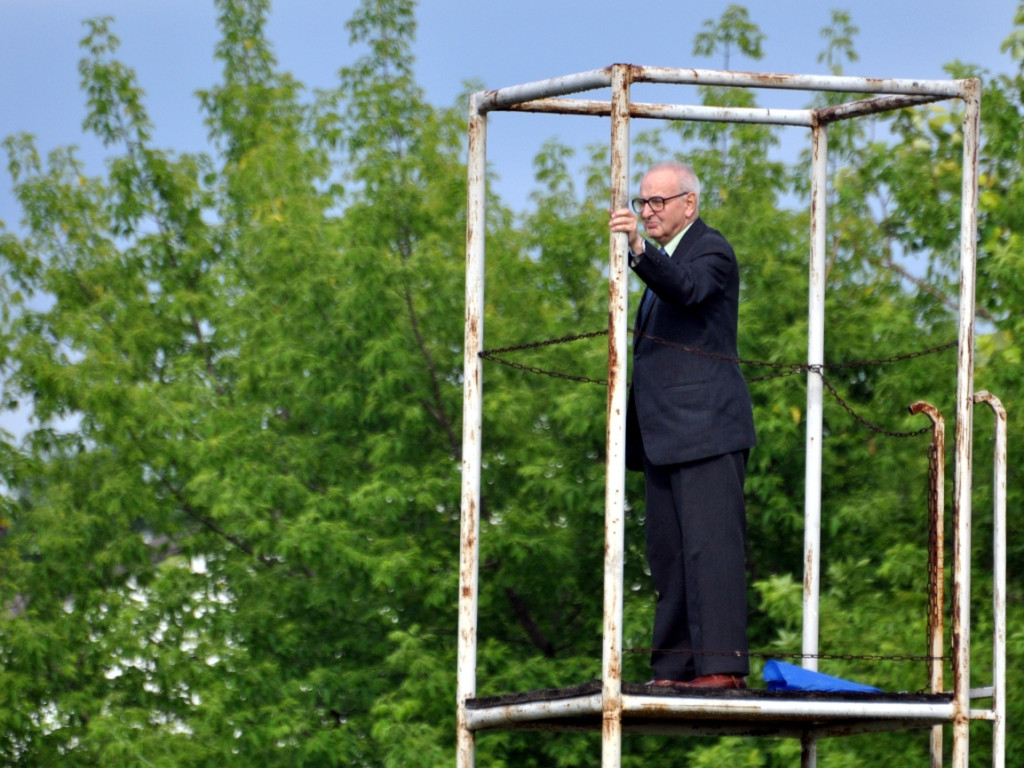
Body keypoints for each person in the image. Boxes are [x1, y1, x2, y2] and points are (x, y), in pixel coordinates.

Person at [608, 162, 756, 690]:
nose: (646, 211)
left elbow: (687, 289)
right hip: (664, 436)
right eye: (642, 202)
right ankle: (674, 667)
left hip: (708, 429)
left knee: (710, 548)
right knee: (669, 555)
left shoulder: (710, 251)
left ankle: (719, 667)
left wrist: (639, 254)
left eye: (657, 202)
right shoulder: (662, 263)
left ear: (688, 204)